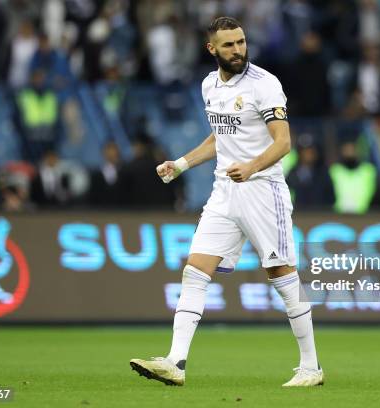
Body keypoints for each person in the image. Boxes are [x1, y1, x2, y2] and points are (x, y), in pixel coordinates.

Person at [129, 17, 323, 388]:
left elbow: (283, 142)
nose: (237, 50)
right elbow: (220, 136)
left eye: (241, 42)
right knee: (195, 269)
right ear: (211, 49)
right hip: (224, 191)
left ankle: (311, 367)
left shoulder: (264, 84)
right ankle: (175, 362)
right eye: (229, 44)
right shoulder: (208, 85)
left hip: (263, 190)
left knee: (282, 276)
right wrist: (181, 164)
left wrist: (251, 167)